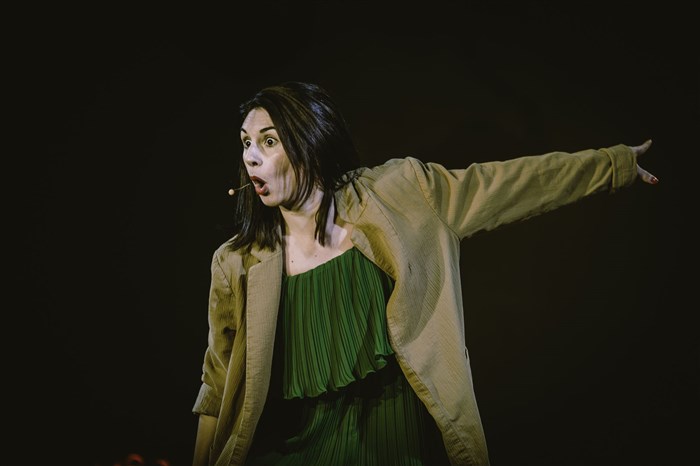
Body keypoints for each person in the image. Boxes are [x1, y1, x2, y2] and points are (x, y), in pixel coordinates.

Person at [191, 81, 657, 466]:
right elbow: (217, 387)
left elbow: (509, 184)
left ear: (309, 141)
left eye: (269, 141)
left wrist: (613, 164)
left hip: (399, 446)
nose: (251, 156)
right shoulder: (237, 262)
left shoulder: (401, 193)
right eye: (246, 143)